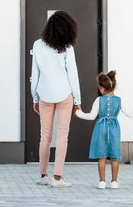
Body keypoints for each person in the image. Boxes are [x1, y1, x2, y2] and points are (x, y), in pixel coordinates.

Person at [31, 10, 82, 188]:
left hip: (44, 94)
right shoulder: (67, 47)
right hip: (64, 95)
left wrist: (34, 98)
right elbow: (72, 74)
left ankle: (43, 175)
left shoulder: (38, 45)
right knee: (62, 136)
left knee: (44, 136)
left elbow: (34, 75)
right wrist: (77, 99)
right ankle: (57, 178)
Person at [75, 71, 133, 189]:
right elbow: (130, 114)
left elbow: (91, 116)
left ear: (102, 88)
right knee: (114, 156)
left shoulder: (98, 100)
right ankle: (114, 181)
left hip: (100, 129)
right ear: (113, 87)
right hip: (114, 129)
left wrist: (78, 113)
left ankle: (102, 182)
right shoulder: (119, 100)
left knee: (101, 156)